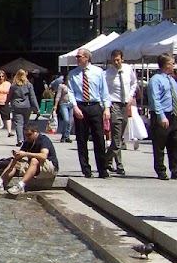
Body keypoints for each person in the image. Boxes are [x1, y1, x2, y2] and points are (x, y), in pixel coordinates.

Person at [68, 48, 110, 178]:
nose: (77, 58)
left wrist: (107, 108)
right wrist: (74, 107)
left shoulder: (98, 72)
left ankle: (102, 169)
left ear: (86, 57)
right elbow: (70, 92)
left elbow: (104, 91)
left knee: (99, 138)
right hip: (81, 106)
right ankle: (86, 169)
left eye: (79, 56)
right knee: (82, 139)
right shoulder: (73, 74)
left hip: (95, 106)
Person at [0, 124, 60, 195]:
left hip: (50, 167)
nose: (27, 137)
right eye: (25, 135)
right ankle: (0, 183)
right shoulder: (28, 141)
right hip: (35, 166)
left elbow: (43, 156)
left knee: (34, 160)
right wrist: (17, 155)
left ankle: (21, 185)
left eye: (29, 135)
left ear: (36, 132)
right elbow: (21, 155)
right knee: (14, 161)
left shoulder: (43, 140)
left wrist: (26, 154)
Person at [149, 52, 177, 181]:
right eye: (172, 63)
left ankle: (176, 169)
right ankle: (161, 170)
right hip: (162, 114)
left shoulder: (171, 79)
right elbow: (155, 99)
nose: (173, 66)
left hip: (174, 114)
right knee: (160, 145)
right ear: (166, 65)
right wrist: (161, 116)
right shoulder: (156, 80)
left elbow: (176, 97)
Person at [104, 50, 138, 175]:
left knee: (119, 136)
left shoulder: (128, 69)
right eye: (114, 60)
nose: (116, 62)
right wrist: (107, 106)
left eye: (118, 60)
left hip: (125, 104)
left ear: (122, 59)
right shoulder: (107, 74)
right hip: (114, 105)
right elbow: (104, 91)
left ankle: (107, 161)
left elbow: (134, 83)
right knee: (117, 137)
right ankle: (118, 164)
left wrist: (130, 96)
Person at [7, 69, 37, 146]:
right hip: (27, 106)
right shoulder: (29, 85)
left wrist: (6, 103)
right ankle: (26, 139)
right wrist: (36, 107)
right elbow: (32, 97)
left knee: (18, 124)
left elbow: (10, 95)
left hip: (16, 106)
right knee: (26, 124)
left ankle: (20, 140)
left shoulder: (14, 85)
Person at [54, 71, 73, 143]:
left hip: (71, 104)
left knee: (70, 122)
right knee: (66, 120)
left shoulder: (72, 86)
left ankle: (67, 136)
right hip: (63, 104)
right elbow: (58, 96)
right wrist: (55, 105)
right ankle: (63, 134)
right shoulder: (61, 86)